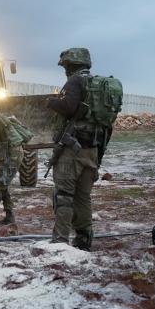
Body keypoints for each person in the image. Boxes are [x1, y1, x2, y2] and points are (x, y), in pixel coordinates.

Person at [46, 47, 121, 251]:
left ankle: (60, 241)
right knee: (82, 197)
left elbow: (69, 107)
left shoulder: (75, 81)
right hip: (92, 150)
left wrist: (52, 103)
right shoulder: (97, 87)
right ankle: (84, 239)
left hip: (72, 151)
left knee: (64, 196)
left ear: (70, 65)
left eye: (66, 66)